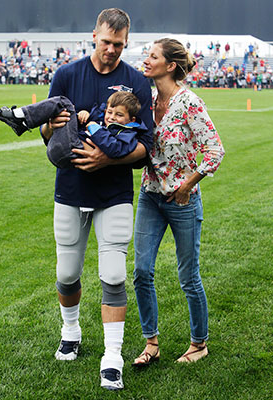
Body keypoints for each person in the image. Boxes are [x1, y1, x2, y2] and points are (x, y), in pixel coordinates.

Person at [40, 8, 153, 391]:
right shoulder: (67, 74)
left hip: (114, 191)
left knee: (113, 274)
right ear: (94, 35)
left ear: (127, 43)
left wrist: (109, 155)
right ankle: (70, 330)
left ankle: (112, 356)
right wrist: (49, 125)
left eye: (119, 45)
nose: (111, 50)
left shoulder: (136, 81)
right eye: (106, 42)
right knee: (67, 273)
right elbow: (45, 135)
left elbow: (146, 147)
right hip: (71, 188)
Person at [131, 38, 225, 367]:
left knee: (189, 277)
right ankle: (151, 343)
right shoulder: (145, 100)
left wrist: (188, 184)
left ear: (169, 66)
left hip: (183, 201)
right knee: (141, 271)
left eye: (152, 56)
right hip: (149, 196)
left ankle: (199, 343)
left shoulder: (189, 102)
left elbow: (215, 151)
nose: (146, 60)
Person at [0, 91, 148, 167]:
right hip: (62, 147)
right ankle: (21, 120)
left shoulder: (128, 132)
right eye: (109, 112)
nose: (112, 117)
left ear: (132, 120)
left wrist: (95, 128)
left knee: (63, 103)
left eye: (119, 115)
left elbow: (115, 149)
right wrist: (83, 116)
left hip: (72, 151)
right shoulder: (102, 121)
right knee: (66, 108)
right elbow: (90, 127)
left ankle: (20, 118)